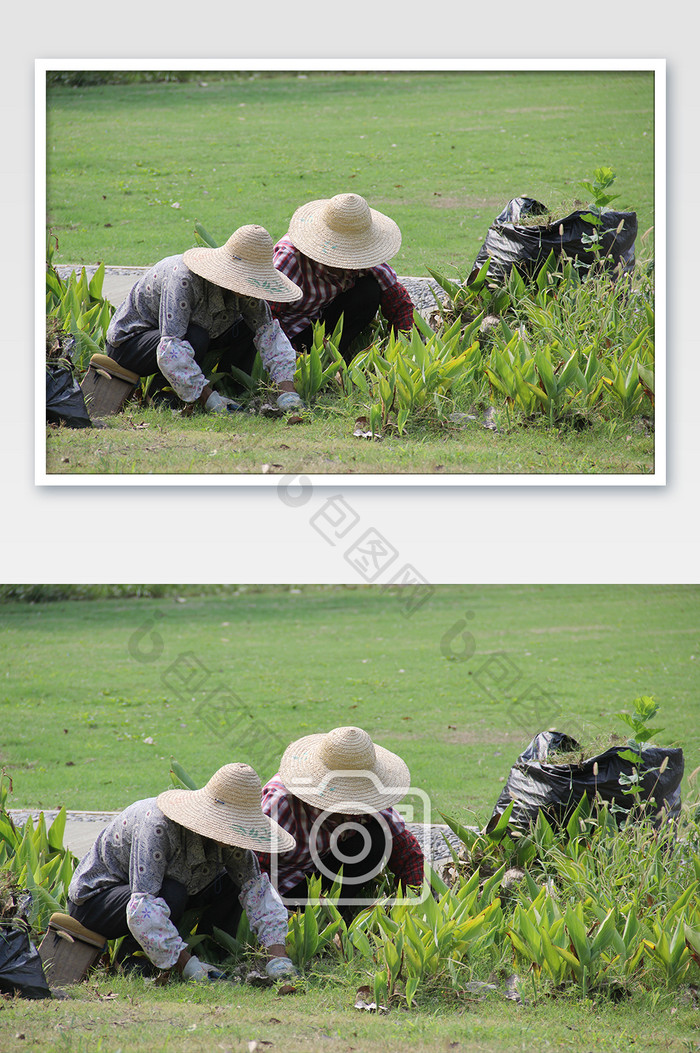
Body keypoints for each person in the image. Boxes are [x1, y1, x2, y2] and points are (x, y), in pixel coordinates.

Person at [67, 763, 297, 981]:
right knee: (171, 891)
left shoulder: (232, 841)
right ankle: (132, 964)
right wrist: (188, 966)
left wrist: (278, 959)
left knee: (230, 882)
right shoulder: (158, 826)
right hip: (96, 903)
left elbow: (257, 890)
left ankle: (212, 956)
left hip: (153, 897)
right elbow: (142, 906)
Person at [104, 225, 305, 413]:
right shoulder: (184, 279)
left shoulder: (247, 291)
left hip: (181, 339)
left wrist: (287, 393)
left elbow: (269, 334)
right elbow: (170, 347)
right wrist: (209, 400)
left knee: (246, 327)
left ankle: (231, 391)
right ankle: (161, 397)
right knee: (195, 335)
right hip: (130, 344)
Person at [256, 726, 425, 911]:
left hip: (321, 872)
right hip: (282, 886)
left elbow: (406, 852)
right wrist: (278, 916)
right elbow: (255, 869)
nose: (352, 811)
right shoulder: (281, 802)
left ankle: (339, 914)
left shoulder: (369, 797)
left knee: (378, 839)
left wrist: (414, 903)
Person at [270, 193, 416, 364]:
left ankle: (335, 360)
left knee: (369, 290)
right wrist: (288, 357)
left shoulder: (364, 257)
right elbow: (266, 314)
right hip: (288, 333)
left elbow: (399, 304)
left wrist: (404, 351)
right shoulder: (291, 258)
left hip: (323, 322)